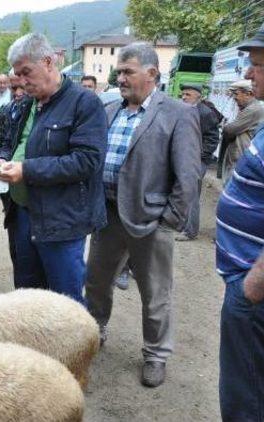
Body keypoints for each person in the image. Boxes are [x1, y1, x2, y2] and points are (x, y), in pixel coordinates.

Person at [84, 42, 201, 388]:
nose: (119, 77)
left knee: (155, 293)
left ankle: (155, 354)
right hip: (107, 216)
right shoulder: (110, 110)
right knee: (96, 282)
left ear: (151, 74)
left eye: (127, 71)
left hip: (151, 221)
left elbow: (189, 175)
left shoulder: (178, 113)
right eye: (118, 71)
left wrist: (168, 221)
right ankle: (95, 332)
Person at [0, 33, 107, 304]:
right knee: (29, 299)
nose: (22, 82)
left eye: (26, 72)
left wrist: (26, 170)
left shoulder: (85, 103)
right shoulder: (26, 103)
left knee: (64, 302)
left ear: (48, 62)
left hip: (61, 220)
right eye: (18, 74)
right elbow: (10, 142)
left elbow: (87, 161)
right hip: (23, 214)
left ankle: (73, 347)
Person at [216, 23, 264, 421]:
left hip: (255, 290)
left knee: (245, 401)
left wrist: (253, 284)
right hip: (248, 284)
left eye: (258, 66)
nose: (249, 74)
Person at [0, 72, 27, 279]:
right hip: (9, 185)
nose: (19, 93)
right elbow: (1, 139)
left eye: (22, 88)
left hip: (34, 189)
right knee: (17, 246)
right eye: (14, 89)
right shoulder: (6, 111)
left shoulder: (35, 109)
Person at [176, 83, 220, 241]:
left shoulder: (205, 112)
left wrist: (198, 156)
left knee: (192, 195)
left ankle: (190, 231)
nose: (183, 97)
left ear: (198, 96)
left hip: (196, 161)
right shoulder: (186, 110)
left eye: (188, 94)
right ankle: (182, 225)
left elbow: (213, 138)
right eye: (183, 94)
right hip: (184, 159)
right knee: (182, 193)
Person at [218, 79, 264, 184]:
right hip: (238, 157)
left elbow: (229, 130)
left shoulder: (253, 109)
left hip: (240, 158)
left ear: (248, 94)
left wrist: (225, 126)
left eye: (236, 94)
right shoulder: (249, 108)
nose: (234, 98)